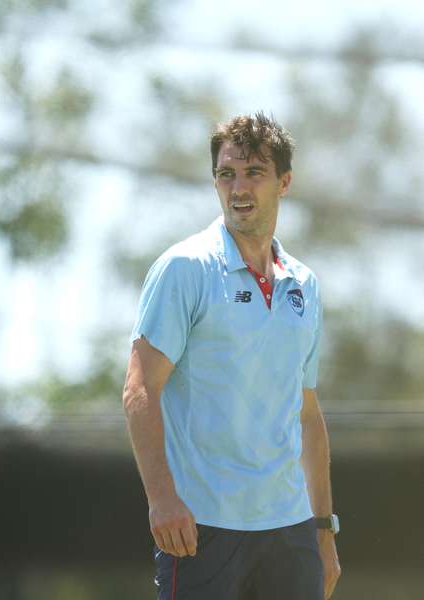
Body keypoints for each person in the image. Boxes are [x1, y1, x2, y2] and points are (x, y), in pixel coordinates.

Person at [122, 112, 341, 599]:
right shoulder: (184, 267)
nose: (238, 188)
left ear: (284, 182)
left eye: (253, 173)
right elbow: (140, 388)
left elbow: (306, 413)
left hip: (290, 531)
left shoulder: (305, 284)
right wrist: (161, 499)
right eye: (226, 174)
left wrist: (323, 530)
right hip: (200, 527)